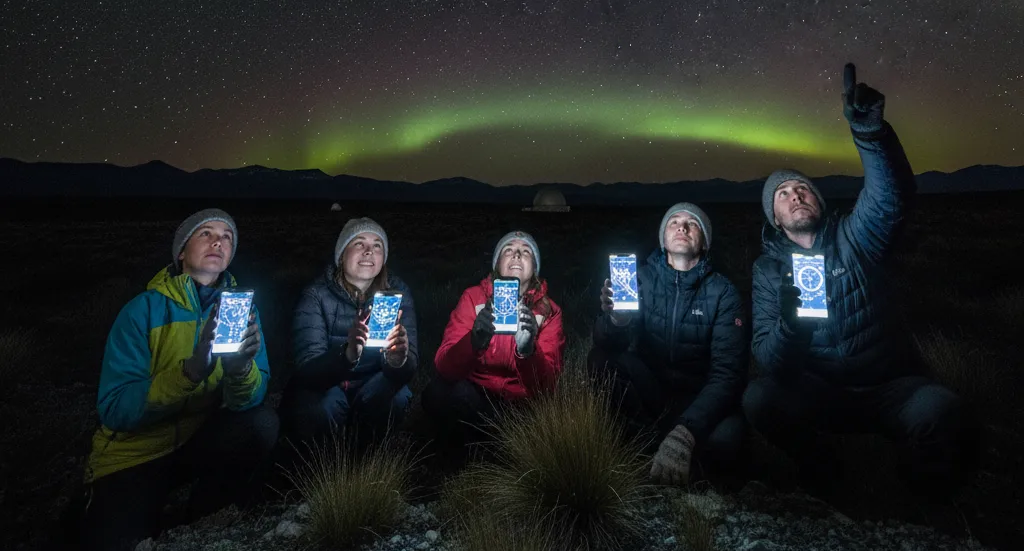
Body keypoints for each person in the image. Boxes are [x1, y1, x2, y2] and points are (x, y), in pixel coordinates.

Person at [743, 63, 970, 498]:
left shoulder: (855, 236)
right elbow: (773, 361)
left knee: (941, 412)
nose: (796, 196)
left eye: (803, 189)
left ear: (819, 200)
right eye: (784, 195)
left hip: (890, 387)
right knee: (760, 399)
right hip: (822, 392)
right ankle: (823, 467)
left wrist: (870, 133)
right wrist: (794, 326)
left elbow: (891, 196)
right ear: (775, 218)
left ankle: (917, 503)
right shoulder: (768, 271)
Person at [78, 208, 277, 551]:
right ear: (181, 251)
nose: (219, 240)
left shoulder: (241, 311)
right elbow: (114, 409)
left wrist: (240, 369)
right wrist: (191, 372)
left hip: (195, 439)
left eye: (227, 237)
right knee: (116, 547)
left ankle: (200, 519)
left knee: (259, 424)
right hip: (133, 455)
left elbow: (251, 398)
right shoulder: (142, 311)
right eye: (206, 233)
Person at [588, 203, 748, 485]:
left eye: (692, 223)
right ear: (663, 240)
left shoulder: (723, 292)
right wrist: (617, 320)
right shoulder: (641, 279)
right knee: (601, 360)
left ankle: (673, 445)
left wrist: (687, 431)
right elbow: (605, 343)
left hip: (697, 397)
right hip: (653, 390)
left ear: (705, 242)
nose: (682, 227)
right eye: (674, 222)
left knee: (728, 441)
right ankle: (640, 444)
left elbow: (727, 373)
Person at [282, 217, 417, 451]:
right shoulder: (316, 296)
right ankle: (325, 459)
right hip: (331, 384)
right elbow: (308, 369)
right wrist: (347, 355)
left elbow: (411, 362)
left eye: (377, 245)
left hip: (373, 382)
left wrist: (398, 361)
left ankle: (367, 451)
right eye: (359, 243)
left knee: (398, 395)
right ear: (341, 254)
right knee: (321, 406)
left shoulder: (398, 293)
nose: (368, 251)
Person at [424, 231, 565, 450]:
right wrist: (473, 341)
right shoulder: (473, 298)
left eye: (525, 252)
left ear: (535, 269)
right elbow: (444, 366)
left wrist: (528, 351)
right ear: (497, 264)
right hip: (476, 398)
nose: (517, 255)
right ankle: (464, 459)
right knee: (437, 393)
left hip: (522, 407)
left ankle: (503, 450)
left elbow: (547, 387)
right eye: (508, 250)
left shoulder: (549, 311)